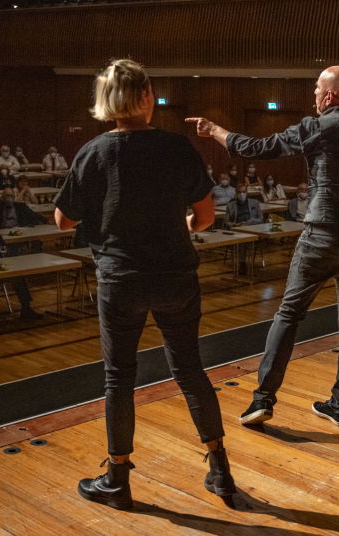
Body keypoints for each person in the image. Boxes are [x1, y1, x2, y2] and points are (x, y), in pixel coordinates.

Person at [187, 65, 339, 428]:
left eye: (315, 90)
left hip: (321, 236)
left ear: (329, 96)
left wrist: (214, 129)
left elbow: (254, 148)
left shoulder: (314, 127)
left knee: (289, 315)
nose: (313, 95)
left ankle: (262, 399)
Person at [53, 58, 235, 509]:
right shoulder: (176, 148)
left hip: (121, 280)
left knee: (119, 379)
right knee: (190, 371)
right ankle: (220, 470)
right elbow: (206, 217)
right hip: (176, 275)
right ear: (147, 98)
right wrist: (180, 226)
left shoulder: (93, 153)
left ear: (105, 102)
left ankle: (117, 478)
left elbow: (62, 221)